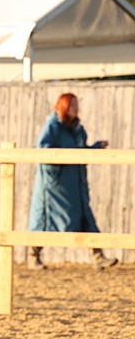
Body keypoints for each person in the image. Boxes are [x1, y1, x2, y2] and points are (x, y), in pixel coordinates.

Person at [27, 92, 117, 270]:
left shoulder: (76, 129)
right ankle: (33, 256)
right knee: (45, 220)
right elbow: (42, 150)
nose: (76, 108)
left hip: (75, 186)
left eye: (77, 105)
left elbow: (80, 150)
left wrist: (96, 148)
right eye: (73, 105)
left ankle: (98, 256)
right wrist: (58, 165)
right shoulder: (52, 127)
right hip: (55, 188)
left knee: (85, 218)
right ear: (64, 106)